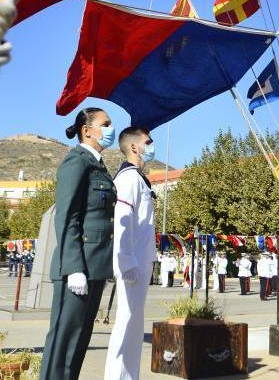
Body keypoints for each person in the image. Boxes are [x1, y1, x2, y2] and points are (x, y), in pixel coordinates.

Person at [39, 107, 118, 380]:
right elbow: (68, 216)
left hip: (95, 268)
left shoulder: (98, 166)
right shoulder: (77, 162)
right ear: (87, 130)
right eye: (105, 124)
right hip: (77, 268)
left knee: (79, 344)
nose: (111, 129)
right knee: (63, 344)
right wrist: (74, 267)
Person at [105, 126, 158, 380]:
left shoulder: (137, 178)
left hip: (140, 260)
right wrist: (126, 261)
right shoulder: (127, 179)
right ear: (134, 147)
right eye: (148, 141)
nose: (151, 145)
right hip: (132, 263)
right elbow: (122, 220)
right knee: (126, 325)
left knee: (134, 326)